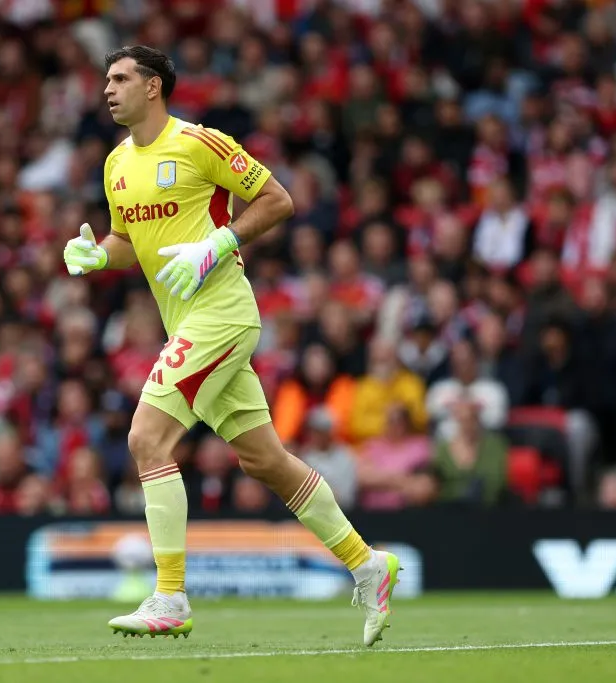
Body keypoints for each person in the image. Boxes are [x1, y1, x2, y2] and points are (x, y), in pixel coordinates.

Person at [62, 46, 398, 645]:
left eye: (120, 79)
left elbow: (279, 200)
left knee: (146, 437)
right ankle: (368, 564)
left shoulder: (200, 143)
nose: (107, 89)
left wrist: (217, 244)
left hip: (221, 313)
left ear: (154, 87)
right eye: (105, 80)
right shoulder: (116, 165)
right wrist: (97, 255)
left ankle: (170, 595)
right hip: (184, 322)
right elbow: (125, 239)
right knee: (265, 461)